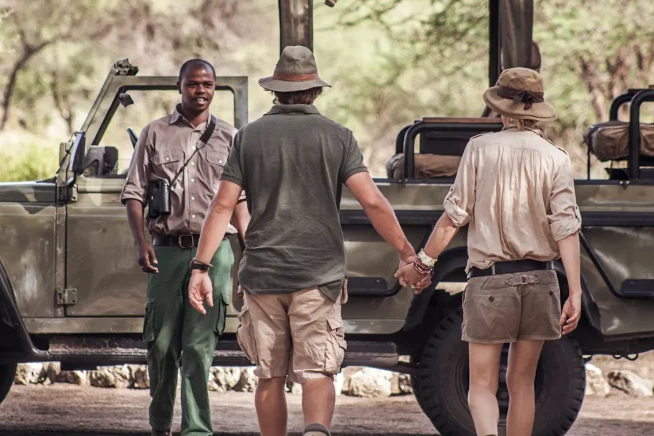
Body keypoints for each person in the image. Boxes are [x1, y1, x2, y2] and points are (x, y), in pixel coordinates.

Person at [186, 46, 418, 436]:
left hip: (262, 276)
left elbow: (223, 205)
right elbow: (373, 202)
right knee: (317, 371)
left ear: (275, 91)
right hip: (318, 276)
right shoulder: (338, 137)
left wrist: (200, 267)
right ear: (315, 91)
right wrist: (407, 252)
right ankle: (314, 431)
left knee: (269, 376)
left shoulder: (249, 137)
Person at [396, 67, 583, 436]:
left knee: (481, 385)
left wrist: (423, 264)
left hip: (491, 283)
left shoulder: (480, 148)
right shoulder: (556, 158)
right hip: (542, 281)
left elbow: (453, 218)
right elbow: (566, 227)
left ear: (500, 109)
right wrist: (574, 290)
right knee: (523, 384)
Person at [120, 58, 249, 436]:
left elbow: (240, 200)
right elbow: (133, 192)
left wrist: (250, 249)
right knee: (159, 344)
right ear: (180, 86)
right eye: (193, 84)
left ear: (215, 88)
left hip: (214, 255)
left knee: (198, 346)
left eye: (208, 84)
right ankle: (160, 423)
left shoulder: (231, 137)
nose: (201, 90)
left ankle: (196, 429)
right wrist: (141, 240)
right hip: (166, 250)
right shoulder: (155, 132)